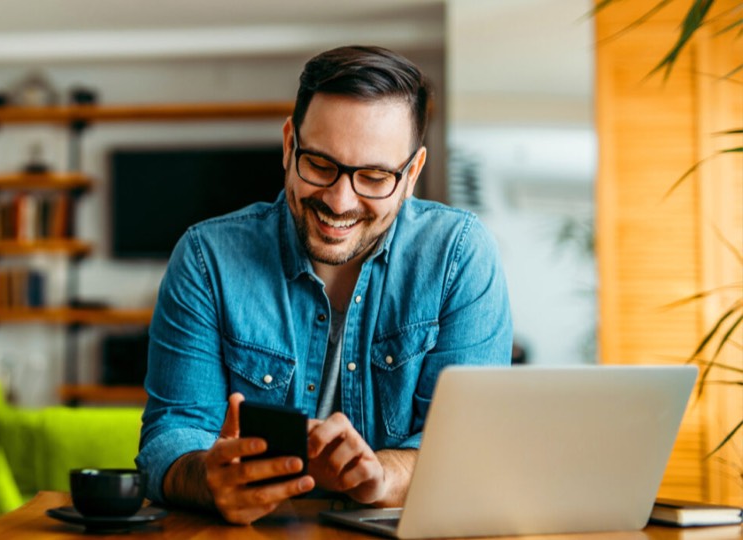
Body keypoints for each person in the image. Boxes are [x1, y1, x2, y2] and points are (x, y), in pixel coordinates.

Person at [135, 45, 512, 524]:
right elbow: (170, 438)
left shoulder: (460, 255)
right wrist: (208, 478)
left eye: (374, 176)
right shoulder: (207, 258)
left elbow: (469, 448)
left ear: (412, 173)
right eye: (319, 164)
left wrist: (381, 476)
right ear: (290, 144)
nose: (339, 201)